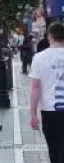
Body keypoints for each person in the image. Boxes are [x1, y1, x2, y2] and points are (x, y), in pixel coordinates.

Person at [29, 22, 64, 163]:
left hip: (50, 111)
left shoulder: (40, 58)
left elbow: (35, 88)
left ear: (50, 36)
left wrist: (33, 114)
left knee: (54, 148)